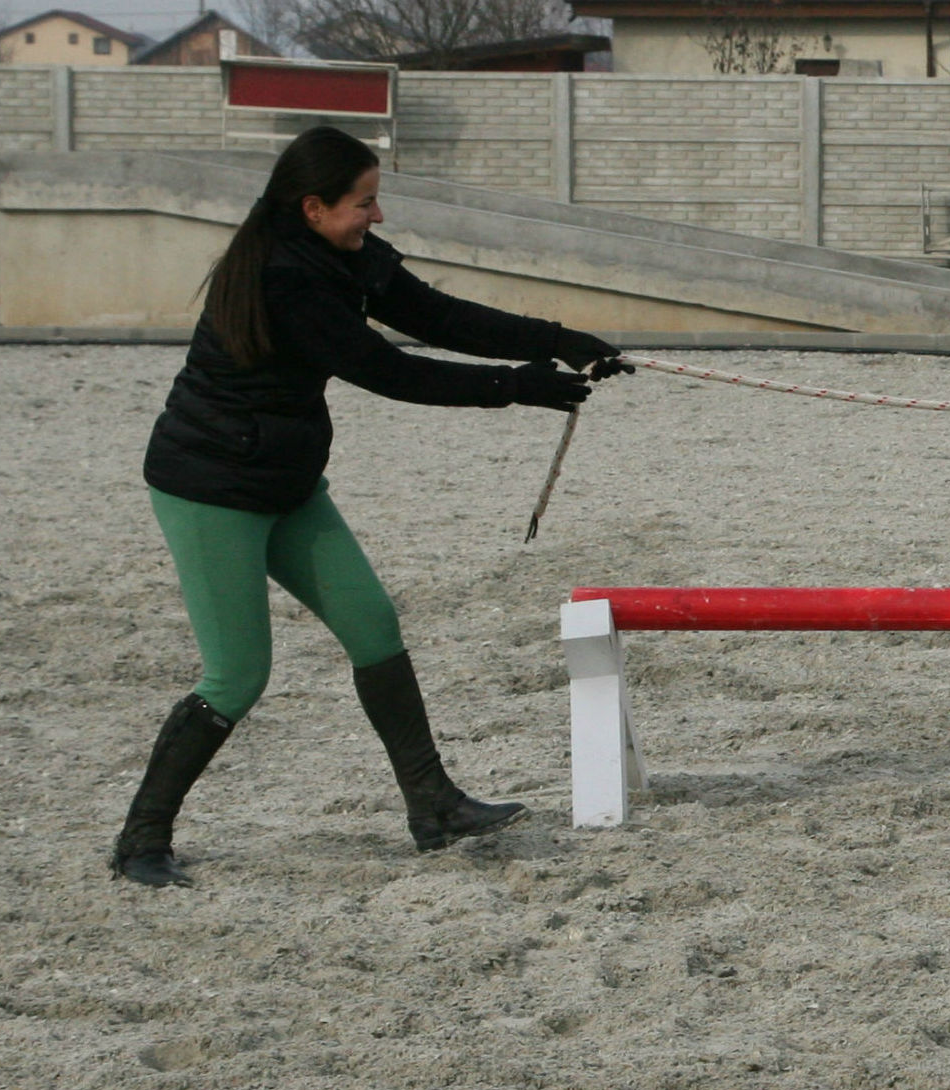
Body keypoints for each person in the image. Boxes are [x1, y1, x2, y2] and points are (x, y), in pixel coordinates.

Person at [112, 125, 629, 887]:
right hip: (211, 489)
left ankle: (433, 806)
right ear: (314, 207)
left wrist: (562, 341)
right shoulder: (285, 280)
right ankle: (141, 841)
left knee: (373, 627)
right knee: (237, 676)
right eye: (364, 203)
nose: (376, 216)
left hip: (285, 482)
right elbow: (387, 371)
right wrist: (516, 386)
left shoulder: (340, 252)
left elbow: (438, 317)